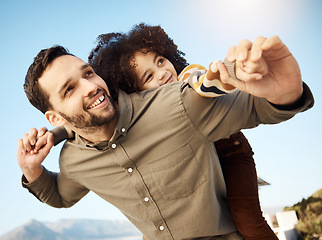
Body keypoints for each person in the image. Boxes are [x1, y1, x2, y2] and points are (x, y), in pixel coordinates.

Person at [18, 32, 314, 240]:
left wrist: (286, 90)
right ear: (54, 117)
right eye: (69, 90)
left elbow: (256, 108)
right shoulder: (73, 160)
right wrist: (32, 171)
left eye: (88, 73)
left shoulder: (176, 104)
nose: (90, 86)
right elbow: (60, 196)